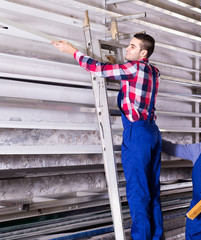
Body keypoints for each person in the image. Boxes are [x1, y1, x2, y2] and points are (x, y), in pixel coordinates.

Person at [52, 33, 163, 240]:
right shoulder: (152, 71)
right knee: (152, 191)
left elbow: (98, 69)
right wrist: (119, 65)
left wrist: (73, 51)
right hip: (152, 133)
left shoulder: (133, 69)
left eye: (132, 47)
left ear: (143, 52)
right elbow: (131, 84)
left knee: (138, 192)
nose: (127, 49)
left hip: (137, 133)